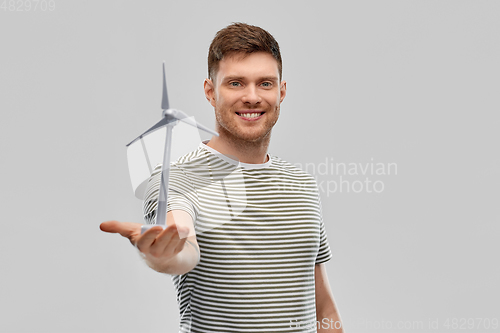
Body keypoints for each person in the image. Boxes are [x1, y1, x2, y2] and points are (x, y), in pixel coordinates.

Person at [101, 22, 344, 333]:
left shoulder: (303, 185)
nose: (252, 97)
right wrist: (164, 253)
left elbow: (321, 303)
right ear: (210, 92)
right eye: (236, 84)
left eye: (265, 84)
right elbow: (183, 248)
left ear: (282, 92)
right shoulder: (176, 179)